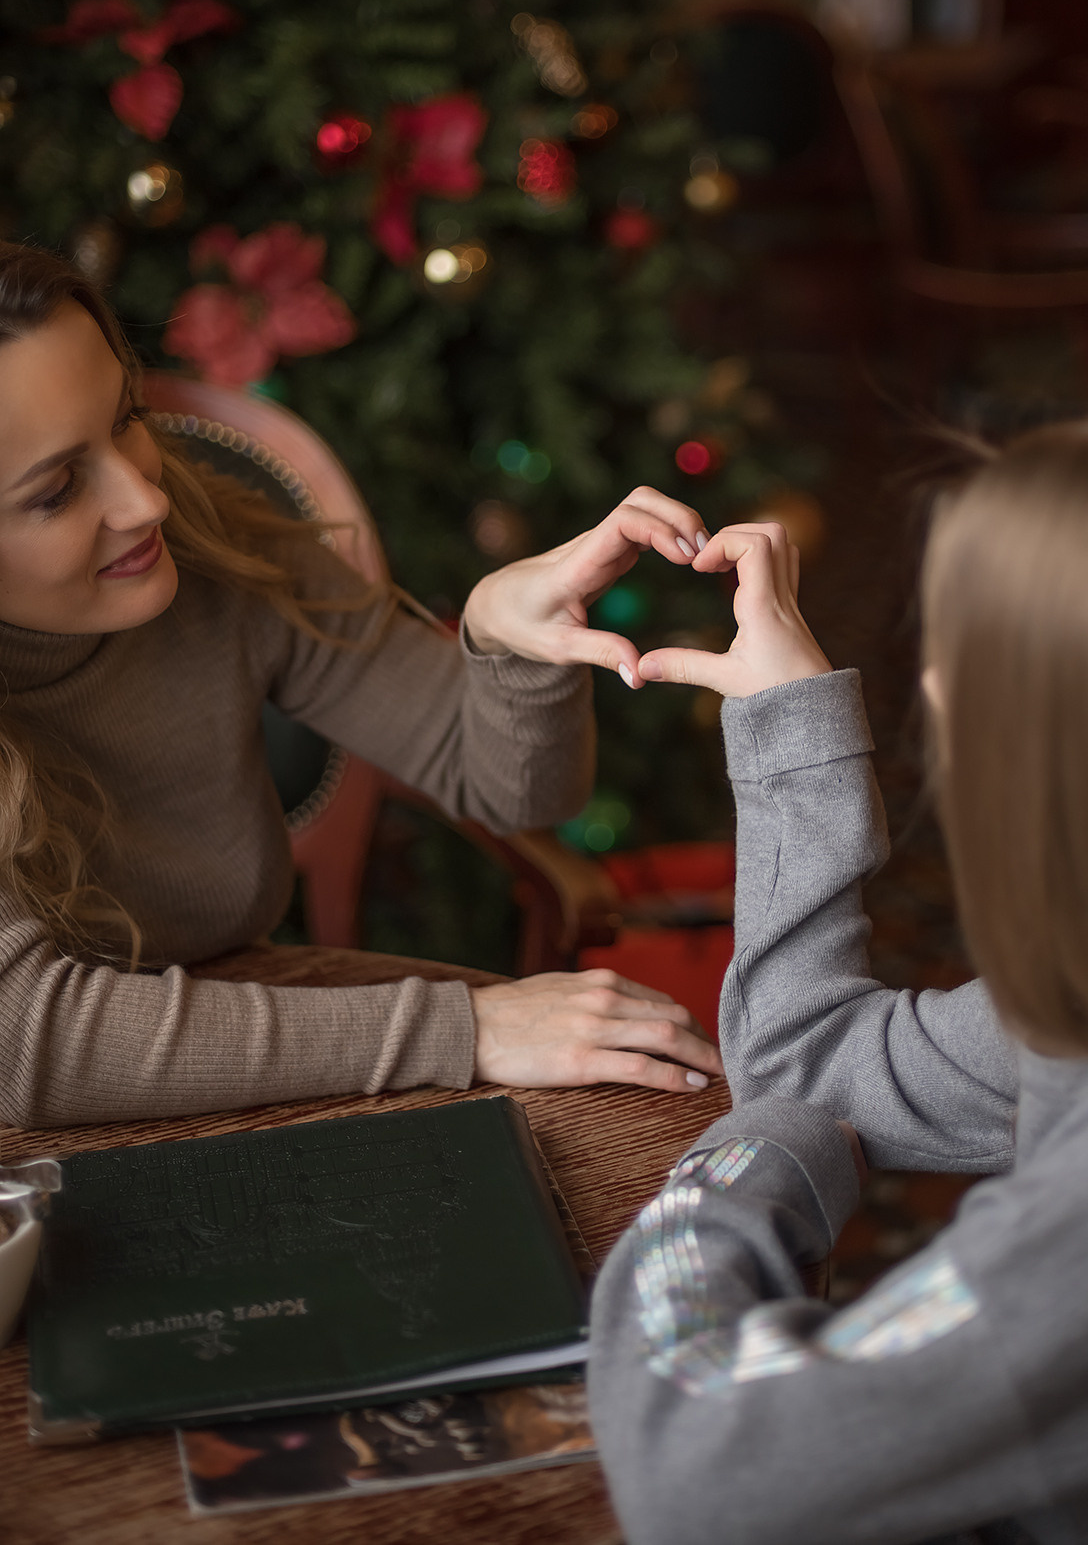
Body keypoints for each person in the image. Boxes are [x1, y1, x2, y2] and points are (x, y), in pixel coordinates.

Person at [588, 409, 1088, 1544]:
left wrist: (725, 1177)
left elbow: (697, 1466)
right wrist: (785, 721)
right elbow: (812, 1065)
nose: (933, 685)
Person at [0, 243, 722, 1127]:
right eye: (56, 489)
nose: (144, 500)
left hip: (225, 1029)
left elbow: (515, 791)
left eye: (124, 419)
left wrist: (512, 645)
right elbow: (27, 1045)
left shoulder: (210, 541)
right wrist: (461, 1029)